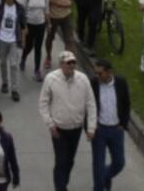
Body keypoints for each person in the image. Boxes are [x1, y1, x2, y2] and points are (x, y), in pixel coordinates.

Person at [38, 51, 96, 191]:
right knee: (61, 161)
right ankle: (61, 188)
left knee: (69, 161)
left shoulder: (83, 79)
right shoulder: (51, 79)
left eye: (73, 62)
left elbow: (91, 103)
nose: (71, 65)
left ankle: (63, 184)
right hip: (58, 130)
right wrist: (50, 125)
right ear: (61, 64)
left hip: (76, 129)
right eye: (68, 62)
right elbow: (43, 103)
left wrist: (91, 128)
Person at [89, 59, 129, 191]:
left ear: (109, 72)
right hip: (99, 130)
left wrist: (123, 124)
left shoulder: (121, 82)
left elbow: (126, 103)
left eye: (99, 73)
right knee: (98, 165)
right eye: (95, 73)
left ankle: (105, 177)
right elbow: (87, 106)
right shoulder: (93, 83)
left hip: (116, 129)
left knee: (119, 162)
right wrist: (90, 127)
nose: (97, 76)